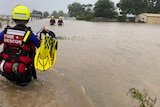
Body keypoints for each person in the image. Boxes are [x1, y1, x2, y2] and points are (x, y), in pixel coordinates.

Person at [0, 5, 56, 86]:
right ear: (28, 19)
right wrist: (48, 32)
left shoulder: (5, 32)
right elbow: (43, 48)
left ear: (13, 18)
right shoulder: (30, 34)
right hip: (23, 73)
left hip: (6, 69)